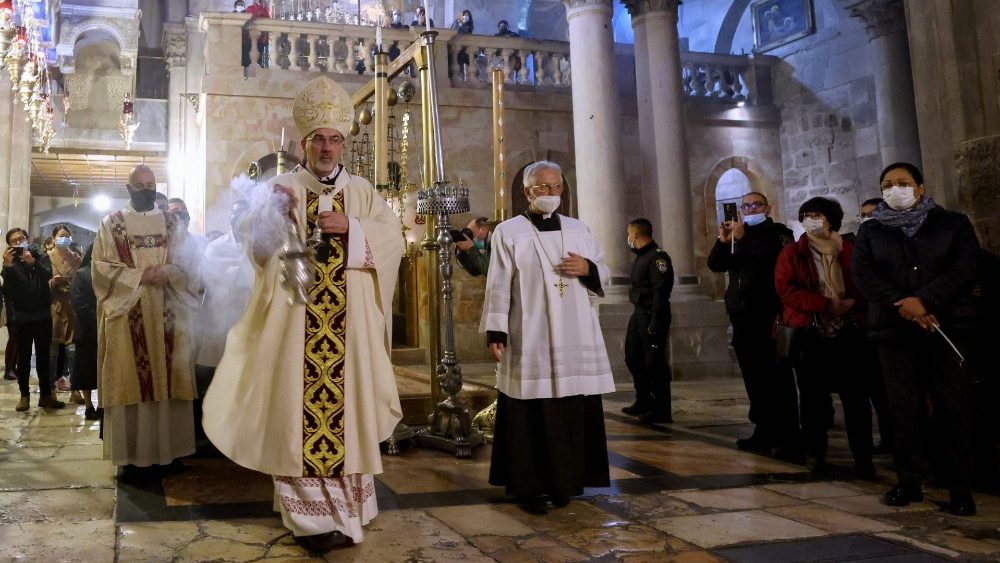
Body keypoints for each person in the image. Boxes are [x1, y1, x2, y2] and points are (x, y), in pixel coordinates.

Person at [204, 76, 404, 553]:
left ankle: (348, 514)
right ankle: (310, 522)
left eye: (334, 139)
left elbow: (393, 241)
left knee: (349, 414)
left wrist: (353, 228)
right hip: (295, 326)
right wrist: (271, 213)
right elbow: (252, 246)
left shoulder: (363, 193)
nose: (327, 147)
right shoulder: (282, 187)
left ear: (343, 144)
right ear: (304, 144)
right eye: (318, 139)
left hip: (350, 332)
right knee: (296, 416)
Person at [481, 160, 615, 514]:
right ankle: (529, 487)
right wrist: (496, 329)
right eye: (544, 187)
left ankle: (567, 484)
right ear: (528, 191)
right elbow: (498, 283)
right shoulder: (509, 231)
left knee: (572, 408)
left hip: (575, 333)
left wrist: (589, 268)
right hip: (531, 333)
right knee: (530, 409)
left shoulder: (579, 229)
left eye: (557, 187)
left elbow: (604, 270)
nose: (552, 193)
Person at [853, 162, 980, 516]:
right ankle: (909, 481)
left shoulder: (952, 223)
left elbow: (964, 268)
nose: (895, 189)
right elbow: (863, 274)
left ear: (920, 188)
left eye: (903, 182)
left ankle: (959, 487)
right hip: (894, 331)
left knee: (953, 408)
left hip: (946, 325)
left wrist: (925, 300)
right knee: (903, 409)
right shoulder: (871, 230)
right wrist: (904, 304)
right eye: (887, 184)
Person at [92, 164, 202, 480]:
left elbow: (190, 263)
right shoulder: (111, 224)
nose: (146, 190)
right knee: (131, 382)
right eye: (139, 186)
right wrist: (140, 275)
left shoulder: (172, 223)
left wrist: (167, 273)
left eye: (151, 185)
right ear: (128, 189)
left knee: (169, 380)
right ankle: (132, 457)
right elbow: (101, 268)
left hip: (169, 312)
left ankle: (170, 453)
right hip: (127, 314)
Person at [774, 197, 875, 479]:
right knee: (812, 400)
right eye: (806, 215)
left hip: (848, 332)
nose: (811, 219)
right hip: (812, 333)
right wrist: (824, 304)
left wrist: (852, 302)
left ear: (831, 219)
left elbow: (866, 282)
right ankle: (816, 454)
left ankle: (864, 459)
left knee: (856, 400)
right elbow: (786, 289)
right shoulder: (793, 253)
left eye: (816, 214)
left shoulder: (850, 250)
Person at [707, 192, 799, 458]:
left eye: (756, 205)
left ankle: (789, 436)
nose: (750, 209)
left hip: (769, 316)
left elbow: (768, 261)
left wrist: (742, 239)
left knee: (777, 377)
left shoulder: (778, 234)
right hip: (742, 317)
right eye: (745, 206)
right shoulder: (737, 235)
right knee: (753, 376)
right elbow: (716, 264)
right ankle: (764, 429)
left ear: (767, 208)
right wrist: (724, 241)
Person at [193, 200, 253, 450]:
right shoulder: (216, 247)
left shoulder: (260, 246)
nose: (239, 219)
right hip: (217, 325)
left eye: (244, 214)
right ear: (230, 218)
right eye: (235, 214)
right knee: (212, 380)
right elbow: (208, 282)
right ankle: (208, 436)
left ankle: (238, 436)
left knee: (241, 383)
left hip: (247, 326)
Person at [2, 228, 64, 412]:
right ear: (9, 245)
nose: (18, 242)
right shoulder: (9, 263)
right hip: (22, 317)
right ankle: (24, 396)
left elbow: (48, 276)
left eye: (21, 238)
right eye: (14, 241)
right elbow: (8, 291)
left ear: (27, 239)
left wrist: (33, 264)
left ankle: (46, 395)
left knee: (44, 357)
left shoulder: (40, 256)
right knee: (24, 358)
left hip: (43, 315)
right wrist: (7, 267)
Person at [622, 218, 674, 424]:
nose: (628, 238)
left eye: (629, 234)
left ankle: (662, 409)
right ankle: (643, 400)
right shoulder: (642, 256)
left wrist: (655, 320)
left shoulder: (657, 257)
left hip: (653, 314)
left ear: (635, 235)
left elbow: (661, 290)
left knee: (655, 362)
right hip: (639, 313)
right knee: (632, 356)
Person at [47, 224, 83, 402]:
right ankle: (50, 389)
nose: (65, 239)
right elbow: (41, 282)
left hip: (71, 306)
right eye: (61, 235)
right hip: (54, 306)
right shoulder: (47, 257)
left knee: (73, 350)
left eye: (67, 236)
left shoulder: (76, 258)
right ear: (54, 238)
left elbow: (82, 279)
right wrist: (53, 282)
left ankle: (75, 390)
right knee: (52, 350)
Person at [69, 245, 101, 420]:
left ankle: (102, 404)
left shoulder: (108, 273)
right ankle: (89, 405)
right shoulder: (82, 274)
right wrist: (96, 317)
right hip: (88, 329)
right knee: (85, 370)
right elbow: (77, 300)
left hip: (103, 327)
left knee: (102, 370)